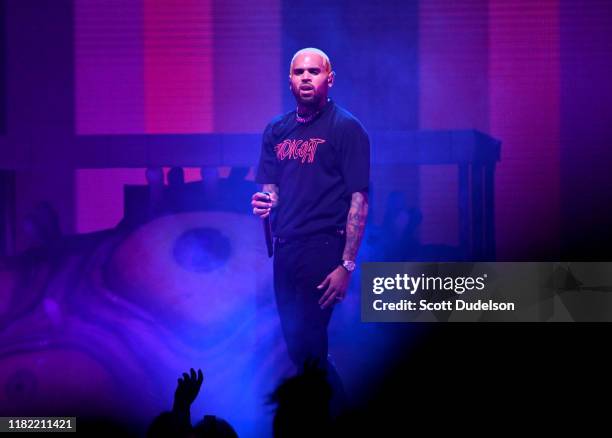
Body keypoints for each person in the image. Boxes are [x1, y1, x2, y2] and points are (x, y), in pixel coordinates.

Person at [251, 48, 370, 406]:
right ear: (289, 80)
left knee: (311, 343)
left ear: (329, 79)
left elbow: (359, 200)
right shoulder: (277, 130)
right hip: (285, 249)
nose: (306, 77)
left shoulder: (346, 128)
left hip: (322, 248)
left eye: (314, 72)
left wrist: (346, 265)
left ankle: (328, 417)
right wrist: (265, 203)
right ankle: (332, 410)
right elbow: (269, 188)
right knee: (297, 348)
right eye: (299, 72)